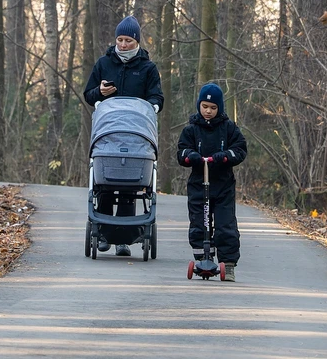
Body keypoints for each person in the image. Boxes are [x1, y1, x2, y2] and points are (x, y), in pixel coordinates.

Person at [84, 15, 163, 256]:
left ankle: (123, 240)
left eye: (128, 40)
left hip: (136, 136)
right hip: (109, 135)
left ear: (137, 41)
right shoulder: (104, 64)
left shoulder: (147, 68)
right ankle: (106, 235)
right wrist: (100, 91)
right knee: (106, 185)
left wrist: (151, 108)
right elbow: (89, 95)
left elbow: (157, 97)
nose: (123, 44)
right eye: (120, 39)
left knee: (130, 188)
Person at [177, 82, 247, 281]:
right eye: (205, 107)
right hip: (199, 183)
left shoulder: (229, 128)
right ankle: (202, 258)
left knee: (226, 225)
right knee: (200, 223)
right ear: (199, 106)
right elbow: (181, 152)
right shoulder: (191, 129)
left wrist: (225, 156)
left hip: (223, 183)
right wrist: (191, 156)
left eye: (213, 108)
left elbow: (240, 149)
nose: (208, 111)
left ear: (219, 108)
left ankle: (228, 263)